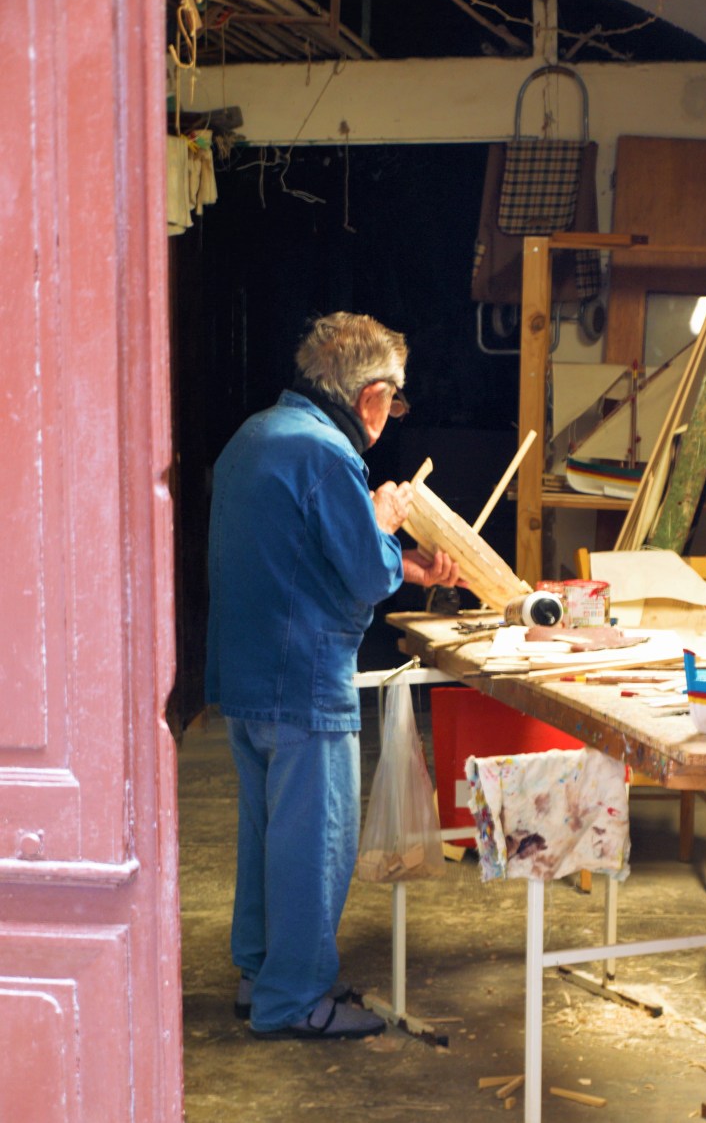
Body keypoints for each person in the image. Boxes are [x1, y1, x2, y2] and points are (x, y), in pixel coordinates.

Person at [205, 311, 459, 1041]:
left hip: (247, 675)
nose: (391, 416)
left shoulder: (253, 437)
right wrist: (382, 520)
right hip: (304, 679)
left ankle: (262, 977)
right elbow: (363, 572)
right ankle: (297, 1001)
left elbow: (300, 553)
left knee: (266, 836)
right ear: (372, 395)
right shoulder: (326, 455)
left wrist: (403, 563)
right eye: (395, 401)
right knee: (314, 843)